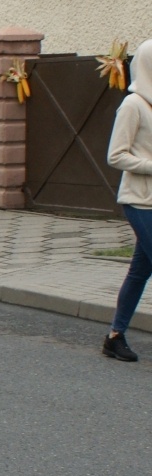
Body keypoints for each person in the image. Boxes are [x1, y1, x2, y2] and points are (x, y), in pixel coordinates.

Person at [103, 39, 152, 362]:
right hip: (139, 201)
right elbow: (115, 156)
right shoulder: (133, 104)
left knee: (140, 270)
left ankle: (114, 336)